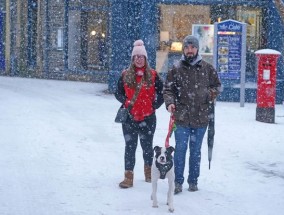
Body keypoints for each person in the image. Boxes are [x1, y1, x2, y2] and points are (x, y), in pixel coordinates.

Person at [163, 35, 221, 193]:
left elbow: (218, 86)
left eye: (193, 47)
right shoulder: (175, 68)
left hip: (201, 118)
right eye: (187, 47)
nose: (190, 50)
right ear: (183, 49)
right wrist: (170, 103)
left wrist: (209, 94)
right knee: (180, 151)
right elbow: (168, 89)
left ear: (197, 49)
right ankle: (177, 182)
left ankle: (193, 181)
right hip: (181, 117)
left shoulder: (207, 68)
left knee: (195, 152)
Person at [115, 39, 164, 189]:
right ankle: (128, 177)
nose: (138, 59)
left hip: (148, 118)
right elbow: (117, 92)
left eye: (141, 56)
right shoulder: (125, 75)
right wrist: (126, 102)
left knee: (147, 146)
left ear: (145, 58)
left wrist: (154, 105)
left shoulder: (153, 75)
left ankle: (148, 172)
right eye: (136, 56)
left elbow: (162, 93)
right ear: (132, 59)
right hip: (130, 118)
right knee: (130, 146)